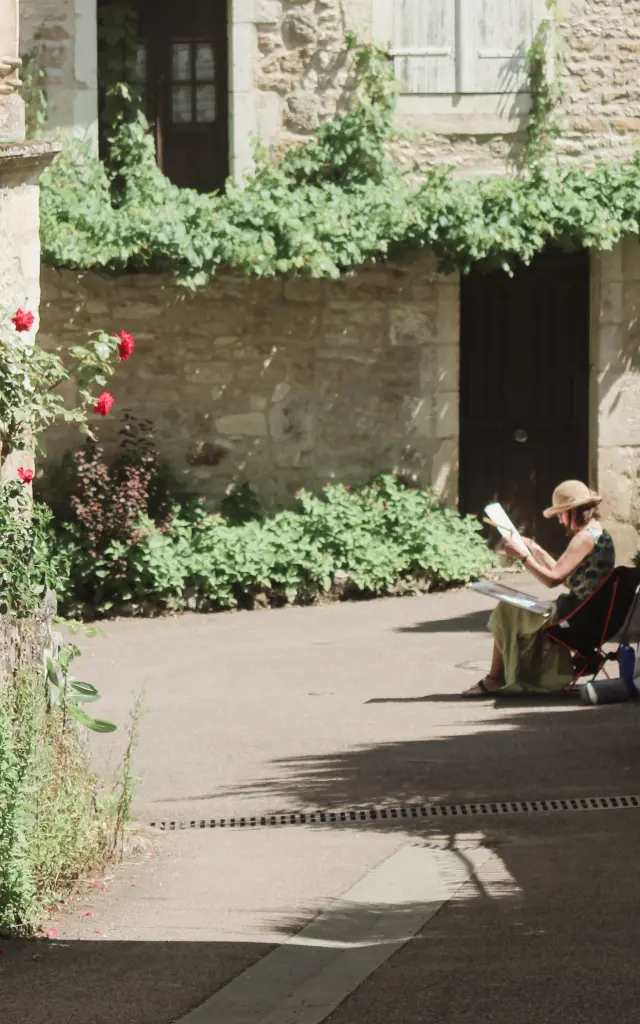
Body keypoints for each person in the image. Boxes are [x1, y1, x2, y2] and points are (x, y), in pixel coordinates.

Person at [462, 480, 615, 697]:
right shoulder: (597, 532)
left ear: (573, 511)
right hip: (589, 612)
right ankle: (504, 676)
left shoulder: (583, 538)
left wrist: (523, 557)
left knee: (507, 608)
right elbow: (567, 578)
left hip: (577, 616)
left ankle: (494, 679)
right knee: (512, 604)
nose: (560, 521)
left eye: (561, 514)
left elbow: (553, 580)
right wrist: (535, 549)